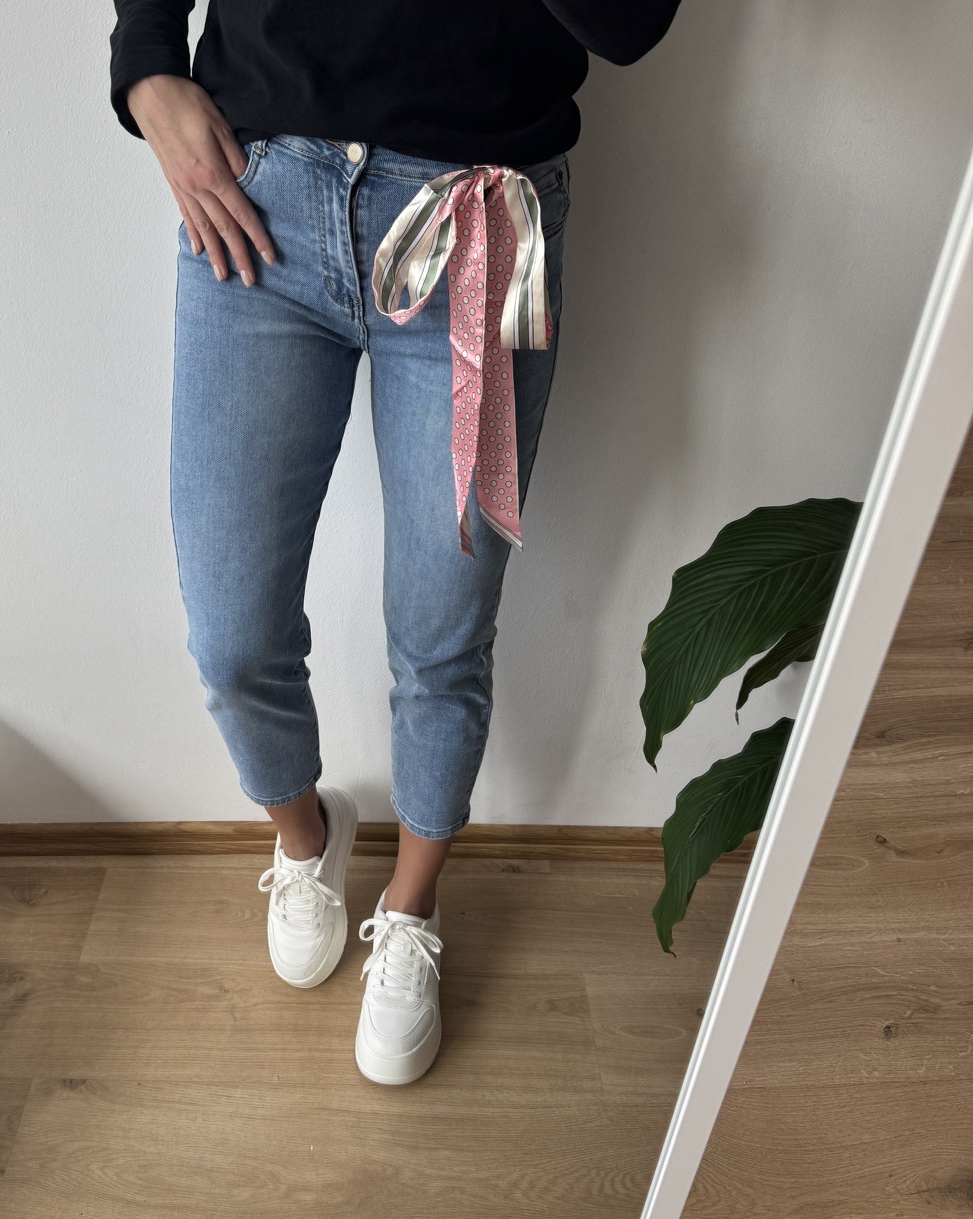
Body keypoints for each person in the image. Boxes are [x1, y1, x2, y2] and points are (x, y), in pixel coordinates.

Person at [109, 0, 680, 1085]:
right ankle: (305, 836)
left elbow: (629, 23)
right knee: (230, 632)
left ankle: (412, 907)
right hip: (258, 188)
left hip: (481, 215)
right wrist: (144, 65)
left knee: (442, 632)